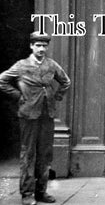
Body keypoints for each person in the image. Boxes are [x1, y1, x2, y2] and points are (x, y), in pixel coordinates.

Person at [0, 32, 71, 205]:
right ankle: (27, 193)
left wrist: (57, 96)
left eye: (44, 46)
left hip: (47, 114)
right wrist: (19, 96)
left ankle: (41, 191)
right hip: (28, 115)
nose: (41, 49)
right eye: (37, 45)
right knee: (28, 153)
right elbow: (2, 81)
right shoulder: (21, 65)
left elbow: (65, 81)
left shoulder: (51, 64)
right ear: (31, 46)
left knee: (45, 155)